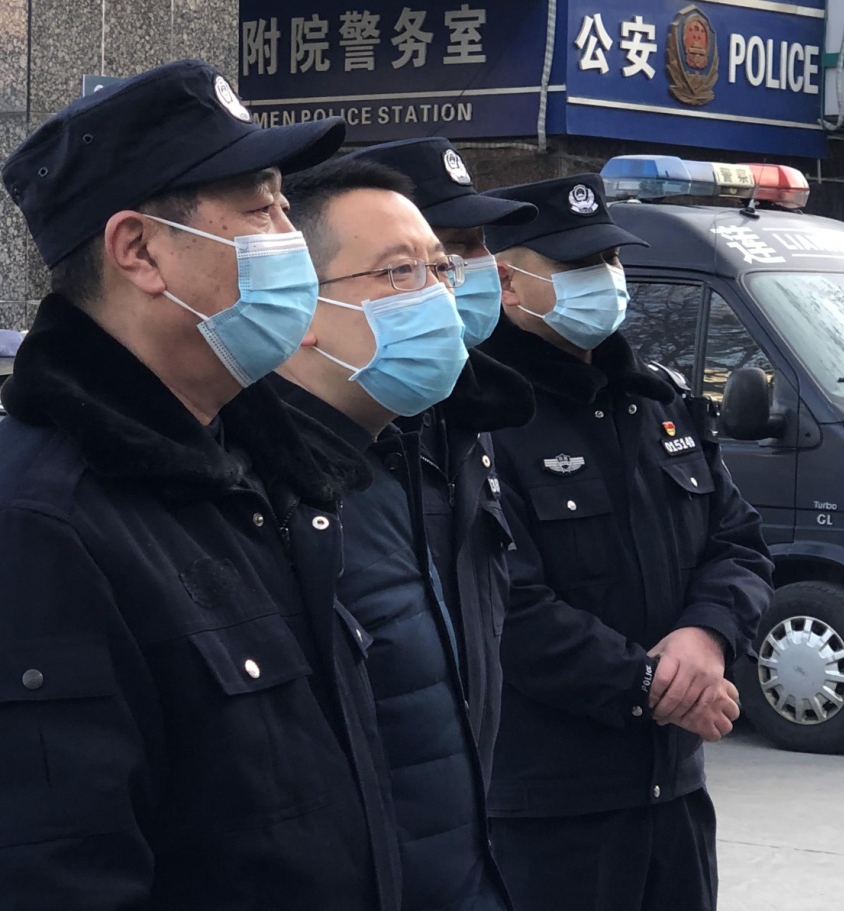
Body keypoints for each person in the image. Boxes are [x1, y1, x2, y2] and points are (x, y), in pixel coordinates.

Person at [0, 60, 399, 910]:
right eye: (262, 209)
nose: (291, 238)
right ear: (138, 250)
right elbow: (37, 877)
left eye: (285, 203)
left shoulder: (249, 471)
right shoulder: (36, 531)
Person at [476, 173, 775, 911]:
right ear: (508, 284)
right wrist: (651, 688)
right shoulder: (483, 415)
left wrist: (707, 636)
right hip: (549, 809)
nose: (606, 279)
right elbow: (507, 605)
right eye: (578, 264)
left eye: (610, 258)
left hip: (672, 792)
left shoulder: (657, 399)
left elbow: (738, 541)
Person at [273, 156, 510, 911]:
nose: (439, 294)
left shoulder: (392, 456)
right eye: (399, 272)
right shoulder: (261, 493)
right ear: (300, 305)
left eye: (440, 269)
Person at [341, 138, 537, 785]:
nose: (474, 268)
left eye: (475, 247)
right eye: (449, 249)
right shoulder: (332, 446)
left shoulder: (464, 421)